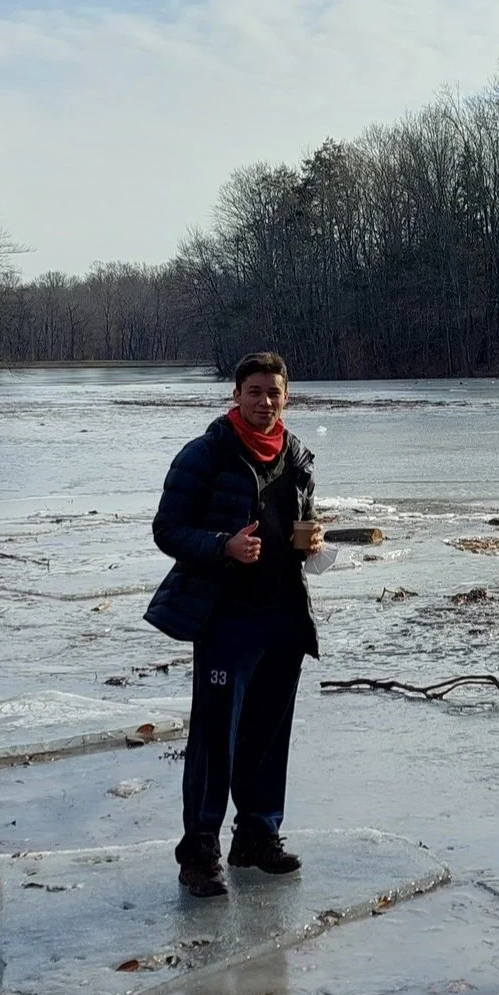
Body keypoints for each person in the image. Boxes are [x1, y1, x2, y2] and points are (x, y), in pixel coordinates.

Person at [144, 352, 325, 898]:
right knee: (214, 740)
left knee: (269, 734)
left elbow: (303, 517)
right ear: (236, 395)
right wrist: (223, 547)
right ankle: (199, 852)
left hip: (283, 615)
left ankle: (256, 836)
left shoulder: (296, 456)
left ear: (286, 396)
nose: (264, 402)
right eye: (254, 392)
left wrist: (311, 538)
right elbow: (168, 529)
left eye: (273, 392)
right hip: (224, 618)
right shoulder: (204, 454)